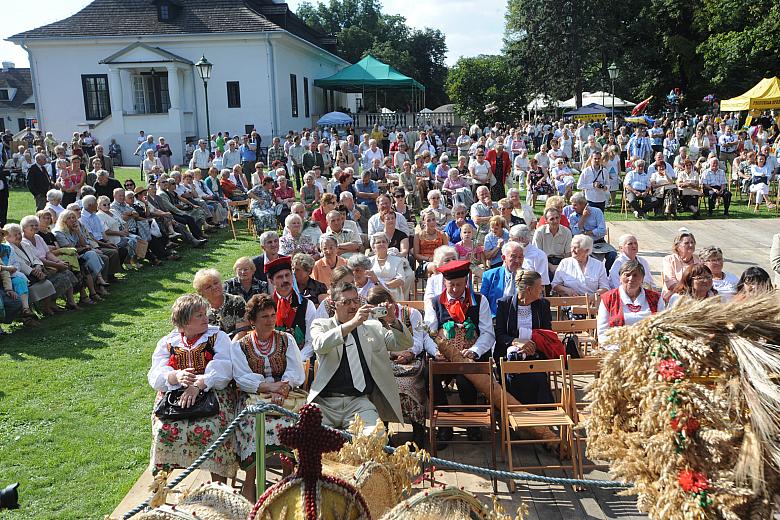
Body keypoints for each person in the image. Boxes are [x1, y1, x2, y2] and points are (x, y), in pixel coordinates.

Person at [147, 294, 237, 482]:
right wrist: (175, 376)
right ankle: (160, 489)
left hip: (212, 393)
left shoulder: (217, 337)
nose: (206, 318)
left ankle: (218, 487)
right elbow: (156, 374)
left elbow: (224, 367)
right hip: (175, 397)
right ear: (185, 321)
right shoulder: (168, 342)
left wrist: (199, 384)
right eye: (199, 316)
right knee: (164, 429)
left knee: (211, 427)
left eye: (205, 314)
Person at [230, 293, 305, 500]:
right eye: (264, 316)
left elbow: (297, 372)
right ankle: (250, 482)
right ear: (252, 321)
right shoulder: (240, 346)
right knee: (253, 426)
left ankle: (287, 478)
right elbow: (242, 378)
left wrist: (282, 390)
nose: (270, 320)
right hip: (255, 398)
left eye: (273, 315)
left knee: (292, 424)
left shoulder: (286, 339)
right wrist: (269, 388)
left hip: (287, 396)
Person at [308, 282, 407, 434]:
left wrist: (392, 320)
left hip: (359, 403)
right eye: (346, 302)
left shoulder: (372, 327)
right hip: (325, 404)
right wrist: (353, 324)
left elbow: (402, 343)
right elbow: (320, 345)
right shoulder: (321, 325)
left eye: (356, 301)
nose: (353, 306)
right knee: (305, 435)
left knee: (376, 436)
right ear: (334, 305)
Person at [424, 260, 495, 441]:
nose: (455, 289)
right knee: (427, 375)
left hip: (469, 356)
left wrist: (475, 350)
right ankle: (444, 422)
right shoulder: (434, 302)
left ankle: (472, 422)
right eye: (451, 285)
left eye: (459, 284)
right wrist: (435, 352)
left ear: (466, 282)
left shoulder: (480, 300)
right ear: (444, 284)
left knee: (465, 380)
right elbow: (429, 333)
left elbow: (488, 332)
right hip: (445, 357)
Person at [365, 286, 436, 446]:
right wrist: (393, 354)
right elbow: (374, 343)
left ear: (389, 301)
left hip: (411, 361)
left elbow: (419, 339)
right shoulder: (371, 319)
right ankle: (384, 429)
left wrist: (409, 353)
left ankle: (417, 428)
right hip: (387, 360)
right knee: (380, 383)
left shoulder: (411, 313)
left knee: (408, 385)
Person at [495, 269, 557, 404]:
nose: (542, 289)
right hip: (510, 354)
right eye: (539, 287)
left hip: (536, 353)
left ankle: (544, 416)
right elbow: (499, 335)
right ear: (529, 289)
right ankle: (515, 411)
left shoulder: (543, 305)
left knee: (539, 378)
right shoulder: (504, 304)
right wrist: (516, 342)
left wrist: (533, 346)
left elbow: (547, 333)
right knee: (513, 375)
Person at [597, 260, 665, 347]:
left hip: (649, 348)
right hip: (617, 349)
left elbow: (662, 327)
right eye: (627, 275)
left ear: (642, 279)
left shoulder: (656, 298)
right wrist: (616, 350)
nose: (631, 278)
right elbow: (602, 332)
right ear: (620, 278)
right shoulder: (608, 298)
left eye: (635, 275)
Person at [265, 256, 316, 359]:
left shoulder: (307, 305)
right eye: (279, 277)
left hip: (300, 360)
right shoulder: (265, 306)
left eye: (287, 275)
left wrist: (297, 360)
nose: (285, 280)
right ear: (271, 281)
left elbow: (311, 341)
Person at [563, 192, 617, 272]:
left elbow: (602, 231)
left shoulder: (597, 212)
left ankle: (605, 273)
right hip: (582, 245)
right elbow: (575, 233)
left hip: (599, 242)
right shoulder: (573, 216)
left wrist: (587, 233)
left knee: (612, 254)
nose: (572, 208)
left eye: (575, 205)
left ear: (583, 204)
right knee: (587, 258)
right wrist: (584, 217)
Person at [193, 268, 250, 339]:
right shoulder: (200, 309)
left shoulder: (236, 301)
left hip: (235, 345)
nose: (214, 287)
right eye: (208, 287)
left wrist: (229, 348)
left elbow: (242, 331)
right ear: (201, 292)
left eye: (216, 283)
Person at [480, 241, 527, 316]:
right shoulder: (489, 276)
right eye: (513, 256)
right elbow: (483, 302)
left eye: (520, 257)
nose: (517, 260)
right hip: (496, 319)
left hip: (521, 318)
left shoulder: (528, 276)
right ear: (503, 258)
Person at [662, 229, 701, 301]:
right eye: (686, 243)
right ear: (677, 247)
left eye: (692, 242)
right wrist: (688, 292)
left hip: (696, 295)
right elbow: (671, 283)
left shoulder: (699, 260)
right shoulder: (669, 260)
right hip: (674, 295)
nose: (691, 245)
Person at [368, 233, 406, 301]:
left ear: (388, 244)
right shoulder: (369, 261)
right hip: (374, 293)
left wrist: (382, 286)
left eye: (384, 242)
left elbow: (401, 280)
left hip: (393, 294)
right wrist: (380, 286)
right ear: (373, 246)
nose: (382, 244)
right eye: (378, 242)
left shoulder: (397, 260)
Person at [413, 209, 449, 276]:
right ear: (424, 222)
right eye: (428, 220)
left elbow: (447, 252)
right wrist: (429, 259)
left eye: (433, 219)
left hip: (440, 262)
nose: (432, 222)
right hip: (425, 263)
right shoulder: (418, 236)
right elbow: (416, 255)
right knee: (434, 267)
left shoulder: (442, 235)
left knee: (433, 274)